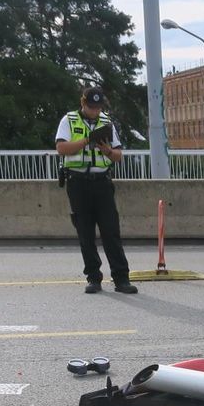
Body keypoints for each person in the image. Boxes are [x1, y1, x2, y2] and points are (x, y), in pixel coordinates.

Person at [55, 86, 137, 294]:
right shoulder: (69, 120)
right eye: (91, 107)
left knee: (111, 231)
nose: (94, 111)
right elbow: (61, 148)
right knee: (85, 232)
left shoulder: (106, 122)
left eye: (98, 107)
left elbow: (118, 156)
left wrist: (107, 150)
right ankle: (93, 277)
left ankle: (121, 278)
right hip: (78, 182)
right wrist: (87, 141)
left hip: (102, 182)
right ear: (83, 104)